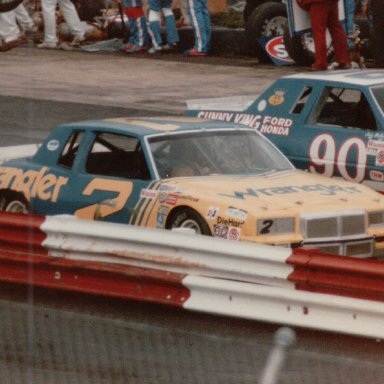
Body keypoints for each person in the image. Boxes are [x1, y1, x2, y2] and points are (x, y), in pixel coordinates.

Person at [297, 0, 351, 71]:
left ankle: (320, 64)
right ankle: (343, 60)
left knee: (319, 32)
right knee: (336, 28)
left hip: (317, 2)